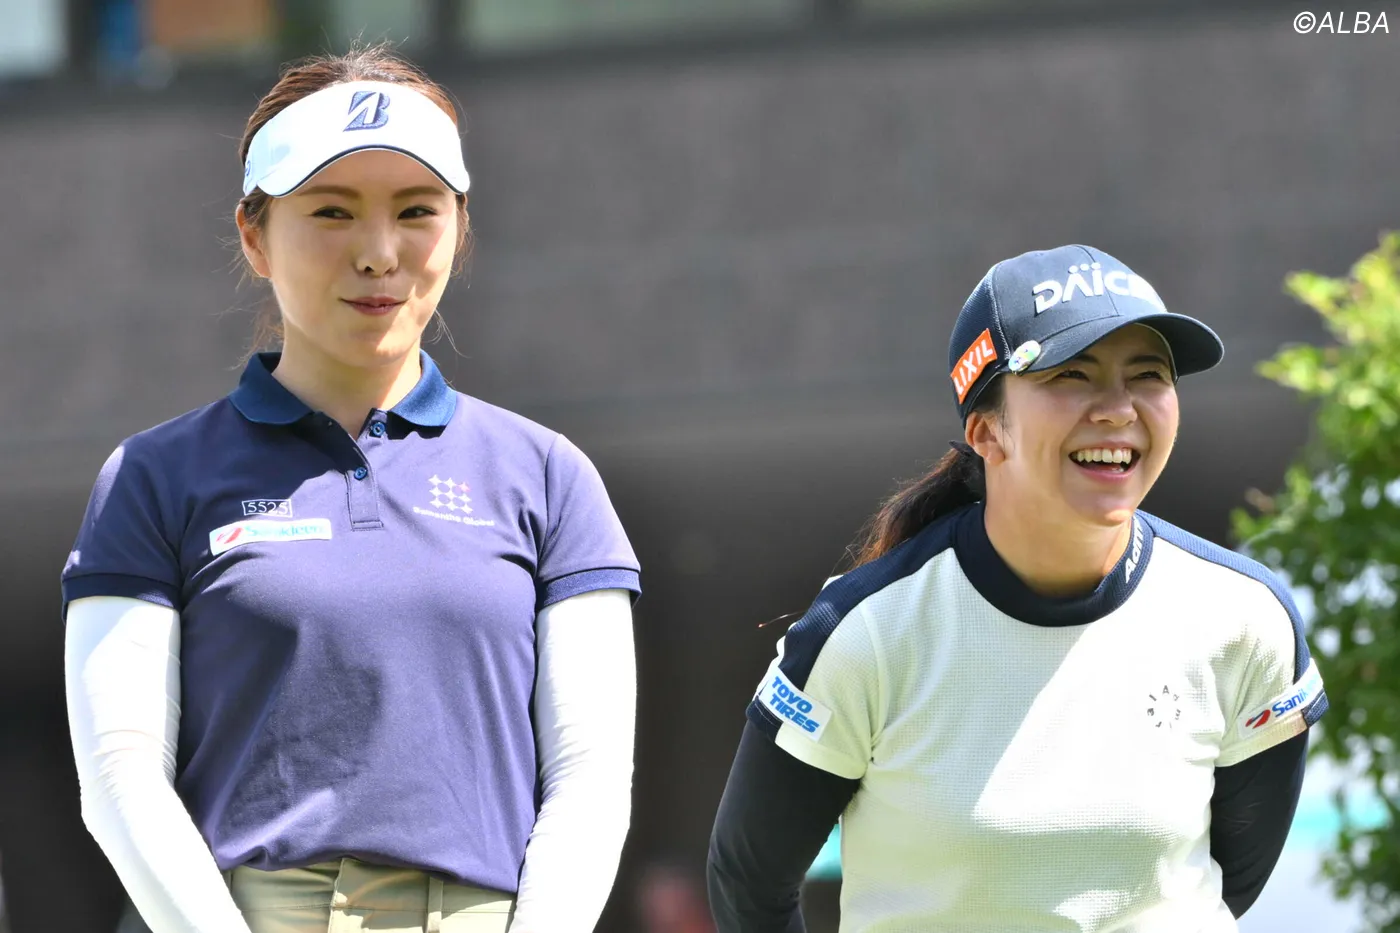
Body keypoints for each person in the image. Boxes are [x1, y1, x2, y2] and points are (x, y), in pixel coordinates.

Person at [62, 46, 641, 933]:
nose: (379, 253)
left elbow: (590, 779)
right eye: (332, 211)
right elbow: (119, 774)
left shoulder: (550, 475)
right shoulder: (152, 476)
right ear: (254, 235)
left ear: (459, 228)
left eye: (417, 211)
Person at [707, 245, 1327, 932]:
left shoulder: (1245, 617)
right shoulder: (865, 632)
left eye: (1148, 374)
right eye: (1073, 374)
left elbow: (1228, 881)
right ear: (986, 430)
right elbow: (748, 885)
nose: (1118, 409)